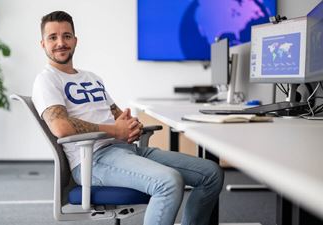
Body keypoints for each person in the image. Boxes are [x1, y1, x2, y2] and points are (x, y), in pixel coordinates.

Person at [32, 10, 224, 225]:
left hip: (127, 151)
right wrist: (116, 130)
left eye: (66, 36)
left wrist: (131, 125)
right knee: (168, 182)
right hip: (93, 160)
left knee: (211, 173)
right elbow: (61, 127)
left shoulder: (92, 78)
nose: (61, 42)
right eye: (53, 37)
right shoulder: (46, 80)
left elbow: (116, 114)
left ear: (75, 40)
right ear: (43, 44)